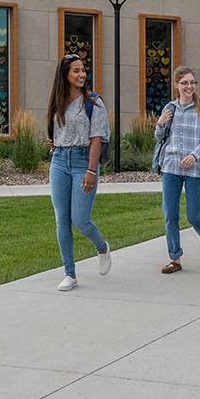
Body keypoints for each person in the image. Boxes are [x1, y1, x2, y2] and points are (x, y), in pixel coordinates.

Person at [46, 54, 113, 290]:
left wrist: (91, 171)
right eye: (75, 71)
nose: (81, 74)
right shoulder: (58, 100)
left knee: (81, 220)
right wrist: (55, 143)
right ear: (65, 75)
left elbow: (97, 138)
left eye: (83, 70)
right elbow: (55, 131)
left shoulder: (94, 102)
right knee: (61, 220)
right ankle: (70, 273)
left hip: (83, 162)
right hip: (59, 162)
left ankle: (102, 247)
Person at [153, 65, 200, 273]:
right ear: (176, 85)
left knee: (194, 215)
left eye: (192, 82)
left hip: (195, 169)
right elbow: (159, 138)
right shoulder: (170, 108)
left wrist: (194, 155)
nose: (189, 86)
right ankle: (175, 258)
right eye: (184, 83)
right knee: (170, 215)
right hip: (171, 167)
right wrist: (159, 123)